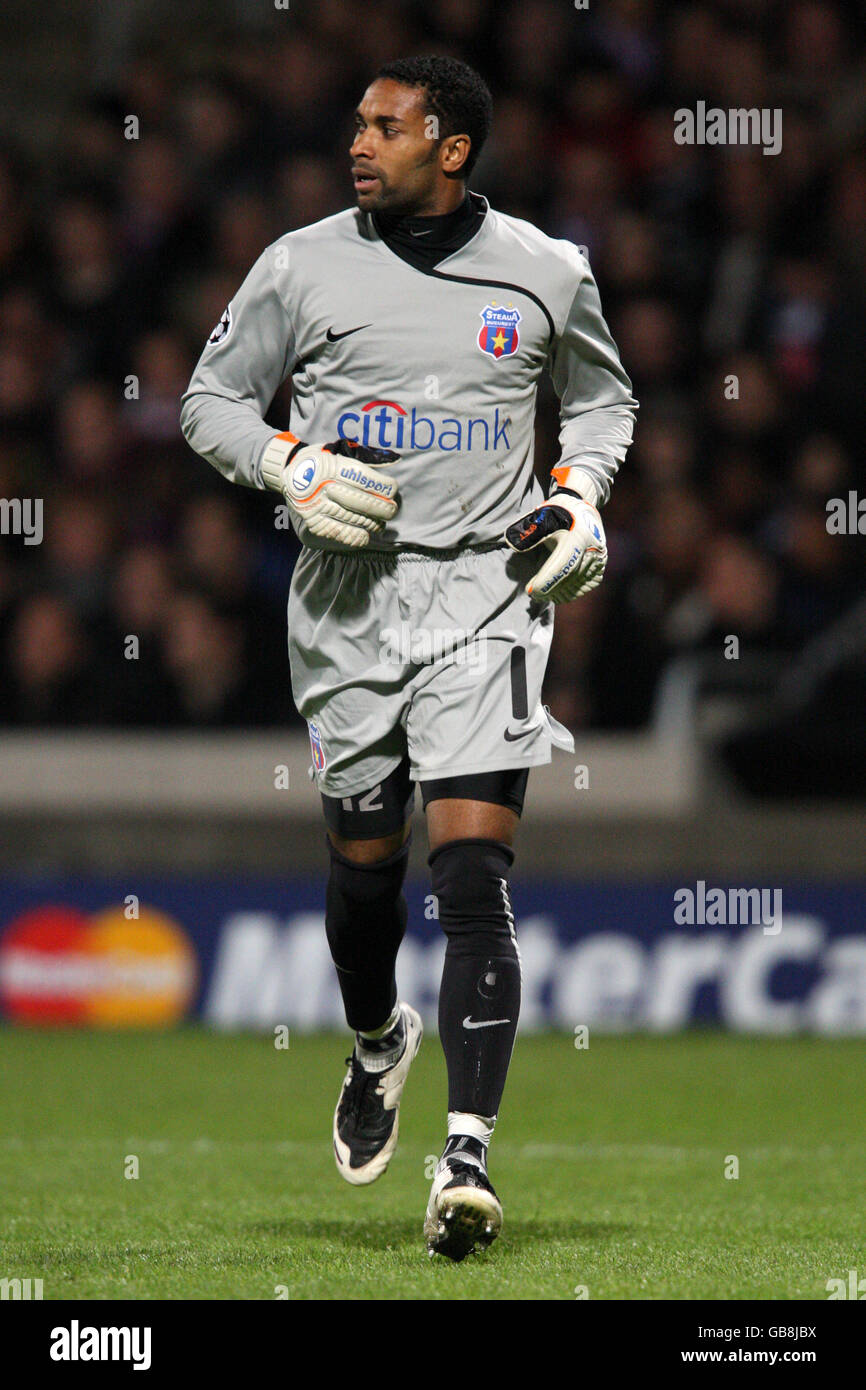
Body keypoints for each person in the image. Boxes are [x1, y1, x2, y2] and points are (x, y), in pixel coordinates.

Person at [181, 54, 636, 1261]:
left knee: (472, 879)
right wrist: (285, 463)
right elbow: (208, 400)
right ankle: (379, 1035)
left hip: (484, 600)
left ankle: (468, 1157)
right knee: (364, 872)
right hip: (345, 605)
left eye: (385, 125)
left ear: (452, 145)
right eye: (355, 122)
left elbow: (601, 402)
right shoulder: (299, 264)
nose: (357, 141)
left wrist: (579, 496)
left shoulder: (546, 272)